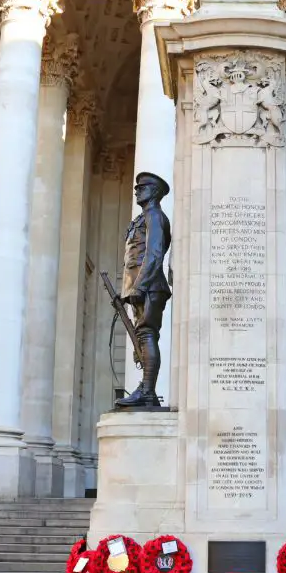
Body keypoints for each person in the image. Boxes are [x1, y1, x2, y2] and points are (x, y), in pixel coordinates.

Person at [116, 171, 172, 409]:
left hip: (149, 286)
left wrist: (139, 285)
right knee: (143, 336)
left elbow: (154, 254)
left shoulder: (155, 216)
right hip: (142, 287)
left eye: (143, 187)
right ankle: (146, 389)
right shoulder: (144, 218)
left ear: (155, 191)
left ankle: (147, 391)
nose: (137, 190)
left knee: (147, 334)